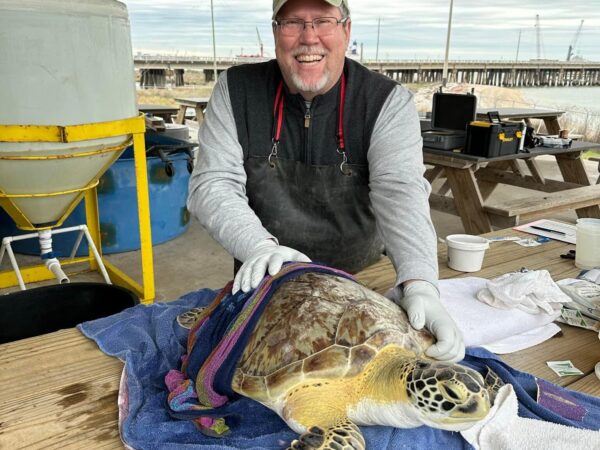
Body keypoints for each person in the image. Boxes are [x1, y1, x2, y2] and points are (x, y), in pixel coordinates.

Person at [187, 0, 464, 362]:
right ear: (275, 31)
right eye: (293, 23)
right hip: (267, 281)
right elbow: (212, 183)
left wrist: (420, 282)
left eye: (323, 21)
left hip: (363, 281)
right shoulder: (236, 90)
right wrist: (259, 248)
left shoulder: (386, 101)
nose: (309, 37)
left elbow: (401, 193)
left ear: (346, 30)